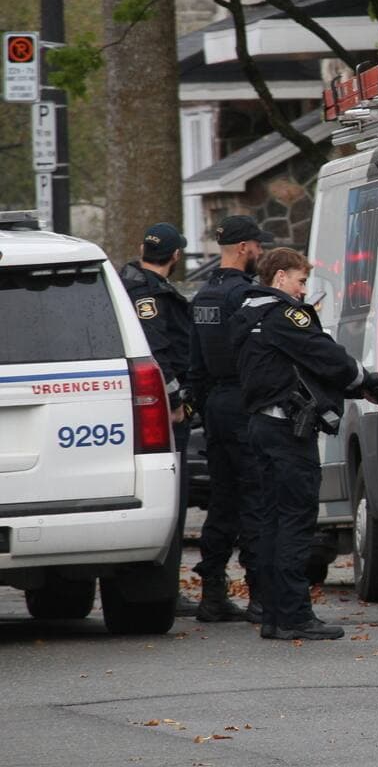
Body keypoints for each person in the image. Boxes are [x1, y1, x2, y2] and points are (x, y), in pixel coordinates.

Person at [230, 247, 378, 640]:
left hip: (260, 428)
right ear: (280, 277)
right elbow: (325, 356)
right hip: (286, 434)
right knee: (295, 524)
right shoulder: (283, 314)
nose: (302, 290)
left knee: (269, 522)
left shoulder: (245, 313)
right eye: (300, 281)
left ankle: (271, 613)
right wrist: (366, 380)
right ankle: (295, 616)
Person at [188, 215, 273, 623]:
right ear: (244, 248)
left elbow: (195, 364)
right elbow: (258, 356)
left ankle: (212, 594)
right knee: (255, 498)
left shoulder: (204, 294)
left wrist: (206, 405)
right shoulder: (244, 295)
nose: (259, 253)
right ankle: (260, 597)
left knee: (222, 502)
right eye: (257, 246)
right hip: (243, 403)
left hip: (216, 407)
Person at [119, 222, 196, 617]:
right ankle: (165, 587)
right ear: (176, 255)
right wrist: (176, 399)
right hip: (165, 409)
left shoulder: (126, 282)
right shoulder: (148, 294)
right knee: (172, 500)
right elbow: (158, 350)